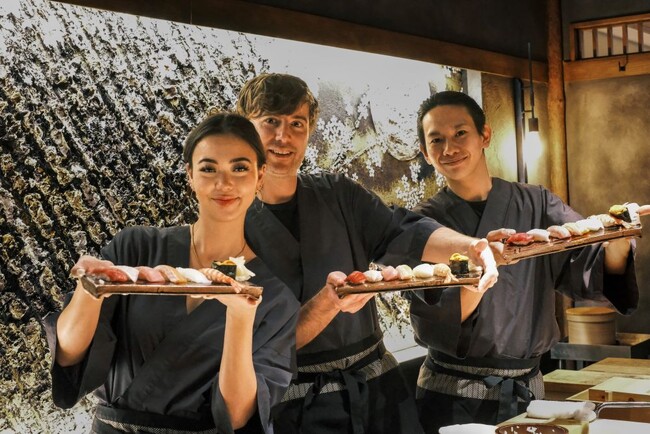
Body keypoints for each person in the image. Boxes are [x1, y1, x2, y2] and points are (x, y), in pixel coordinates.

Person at [236, 73, 499, 434]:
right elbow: (253, 338)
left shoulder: (338, 194)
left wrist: (471, 247)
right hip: (292, 405)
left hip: (377, 393)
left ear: (310, 130)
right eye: (271, 121)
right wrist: (326, 304)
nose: (284, 137)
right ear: (245, 127)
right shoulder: (231, 223)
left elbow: (403, 230)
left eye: (297, 123)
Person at [43, 113, 302, 434]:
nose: (224, 183)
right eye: (208, 168)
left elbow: (238, 418)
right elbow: (69, 357)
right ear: (190, 175)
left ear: (260, 176)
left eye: (239, 168)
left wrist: (240, 316)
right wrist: (89, 290)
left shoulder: (276, 297)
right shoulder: (136, 247)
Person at [410, 90, 644, 432]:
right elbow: (435, 319)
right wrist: (484, 268)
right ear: (424, 151)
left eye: (460, 133)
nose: (449, 148)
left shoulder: (537, 203)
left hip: (528, 396)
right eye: (436, 140)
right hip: (453, 397)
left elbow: (589, 263)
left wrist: (617, 239)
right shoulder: (422, 225)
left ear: (484, 135)